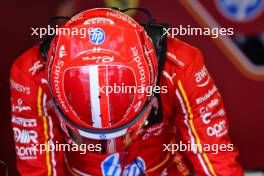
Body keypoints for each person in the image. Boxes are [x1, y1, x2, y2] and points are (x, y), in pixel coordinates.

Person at [10, 8, 243, 176]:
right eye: (87, 138)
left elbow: (213, 155)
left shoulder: (181, 65)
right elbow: (39, 169)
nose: (109, 148)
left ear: (152, 100)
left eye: (124, 133)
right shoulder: (31, 75)